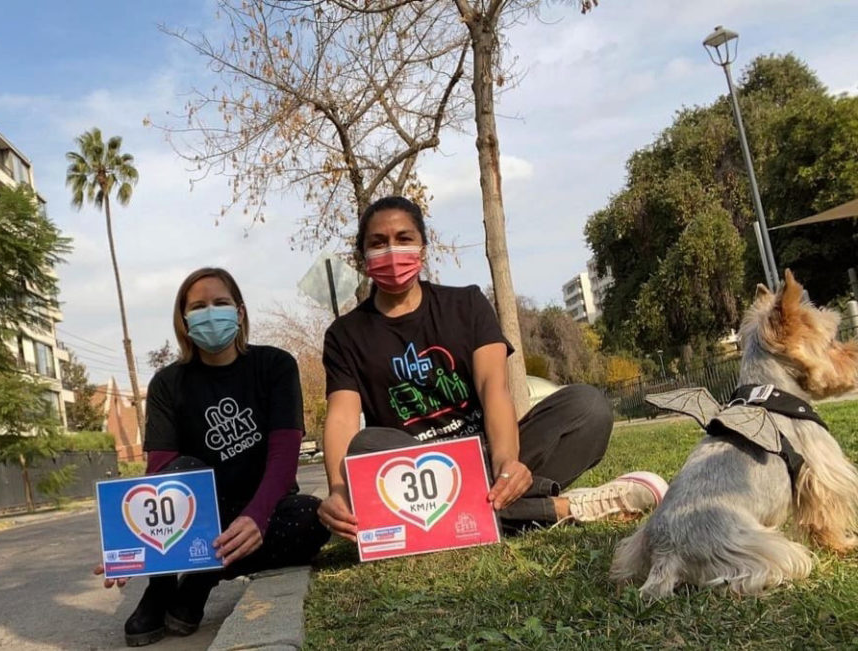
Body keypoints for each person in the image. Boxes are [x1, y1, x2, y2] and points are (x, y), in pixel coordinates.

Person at [317, 196, 668, 541]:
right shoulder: (345, 335)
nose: (392, 252)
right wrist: (338, 490)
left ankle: (463, 514)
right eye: (378, 243)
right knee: (365, 446)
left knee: (588, 407)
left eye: (404, 238)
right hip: (414, 473)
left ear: (422, 248)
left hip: (484, 452)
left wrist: (506, 463)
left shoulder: (466, 305)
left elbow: (494, 390)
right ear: (363, 255)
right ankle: (564, 508)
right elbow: (342, 419)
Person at [94, 267, 329, 647]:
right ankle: (163, 585)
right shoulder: (167, 383)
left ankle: (203, 577)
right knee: (181, 472)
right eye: (198, 306)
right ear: (184, 321)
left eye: (220, 303)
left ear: (239, 312)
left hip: (264, 506)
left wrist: (256, 516)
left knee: (312, 518)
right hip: (200, 515)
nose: (210, 313)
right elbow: (159, 474)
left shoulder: (275, 365)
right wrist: (133, 544)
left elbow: (284, 459)